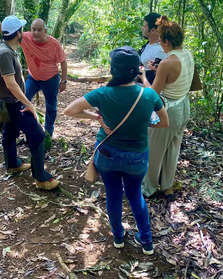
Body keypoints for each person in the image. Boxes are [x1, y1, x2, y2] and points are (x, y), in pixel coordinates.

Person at [64, 46, 169, 255]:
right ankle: (147, 241)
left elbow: (70, 110)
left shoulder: (103, 93)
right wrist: (143, 122)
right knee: (134, 195)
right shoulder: (148, 95)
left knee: (113, 194)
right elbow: (164, 122)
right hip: (137, 157)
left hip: (107, 155)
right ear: (136, 70)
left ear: (114, 70)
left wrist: (96, 117)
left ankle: (118, 237)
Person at [0, 14, 60, 190]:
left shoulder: (3, 46)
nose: (24, 32)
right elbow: (11, 83)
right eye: (22, 29)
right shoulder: (5, 53)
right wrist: (28, 104)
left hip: (7, 102)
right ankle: (41, 178)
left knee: (10, 132)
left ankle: (13, 164)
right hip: (14, 103)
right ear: (17, 34)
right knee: (37, 135)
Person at [0, 9, 67, 138]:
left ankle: (48, 132)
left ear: (45, 31)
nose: (36, 32)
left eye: (39, 29)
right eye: (33, 29)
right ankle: (27, 129)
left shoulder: (54, 43)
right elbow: (6, 33)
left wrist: (63, 81)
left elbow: (63, 62)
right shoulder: (24, 38)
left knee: (51, 107)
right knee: (22, 100)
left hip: (51, 79)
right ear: (30, 30)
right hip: (33, 78)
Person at [140, 16, 194, 199]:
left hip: (169, 110)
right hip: (184, 105)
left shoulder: (167, 62)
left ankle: (149, 187)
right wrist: (159, 72)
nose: (160, 45)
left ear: (167, 41)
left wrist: (144, 77)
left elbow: (153, 94)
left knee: (155, 149)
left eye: (162, 40)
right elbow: (177, 79)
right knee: (173, 148)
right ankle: (167, 185)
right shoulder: (187, 54)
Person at [139, 12, 167, 85]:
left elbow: (159, 78)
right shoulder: (147, 45)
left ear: (153, 30)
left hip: (147, 90)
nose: (142, 28)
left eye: (144, 26)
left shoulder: (160, 50)